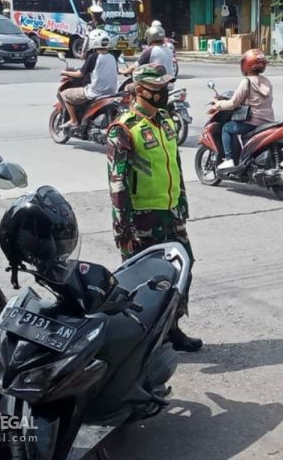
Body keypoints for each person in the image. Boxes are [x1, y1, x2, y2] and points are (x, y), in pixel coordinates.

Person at [106, 64, 201, 352]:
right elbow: (116, 180)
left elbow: (175, 164)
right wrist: (123, 225)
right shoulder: (124, 128)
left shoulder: (167, 121)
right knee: (144, 282)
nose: (163, 93)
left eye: (164, 88)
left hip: (170, 212)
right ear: (139, 90)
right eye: (157, 89)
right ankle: (138, 339)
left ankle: (171, 327)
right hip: (140, 217)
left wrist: (181, 200)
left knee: (182, 272)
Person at [209, 49, 274, 171]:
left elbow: (233, 103)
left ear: (246, 64)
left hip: (253, 122)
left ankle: (229, 160)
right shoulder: (266, 81)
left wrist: (218, 104)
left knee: (227, 128)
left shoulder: (247, 82)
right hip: (268, 121)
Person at [60, 29, 118, 128]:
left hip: (95, 93)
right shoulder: (112, 56)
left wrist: (65, 72)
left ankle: (73, 120)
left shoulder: (93, 57)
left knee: (65, 94)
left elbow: (80, 74)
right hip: (111, 93)